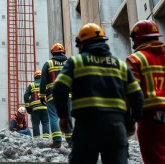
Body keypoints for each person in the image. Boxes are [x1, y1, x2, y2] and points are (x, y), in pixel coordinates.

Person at [53, 23, 144, 164]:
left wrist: (63, 116)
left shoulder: (76, 62)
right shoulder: (120, 65)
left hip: (86, 126)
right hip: (116, 127)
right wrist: (131, 121)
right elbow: (137, 95)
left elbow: (59, 87)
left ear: (82, 44)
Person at [127, 20, 165, 164]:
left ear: (137, 39)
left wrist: (129, 120)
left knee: (155, 159)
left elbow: (131, 93)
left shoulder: (136, 59)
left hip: (151, 120)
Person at [39, 43, 73, 148]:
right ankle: (70, 141)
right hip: (67, 94)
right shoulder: (69, 63)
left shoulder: (48, 64)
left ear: (52, 53)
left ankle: (57, 141)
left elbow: (43, 80)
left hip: (52, 95)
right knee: (68, 116)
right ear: (63, 52)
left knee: (53, 116)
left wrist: (41, 95)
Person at [24, 70, 49, 139]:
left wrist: (28, 107)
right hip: (45, 107)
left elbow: (26, 95)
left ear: (35, 77)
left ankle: (37, 140)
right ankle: (46, 139)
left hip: (35, 109)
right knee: (45, 123)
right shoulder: (46, 84)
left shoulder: (32, 85)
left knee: (35, 124)